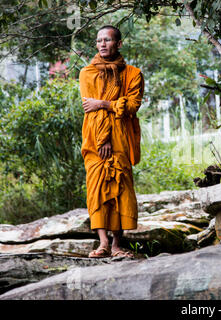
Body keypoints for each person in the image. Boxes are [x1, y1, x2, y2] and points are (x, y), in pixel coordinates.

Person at [79, 25, 144, 258]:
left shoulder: (133, 74)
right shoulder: (87, 73)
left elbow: (133, 105)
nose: (102, 44)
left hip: (121, 138)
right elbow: (90, 108)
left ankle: (117, 244)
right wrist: (102, 139)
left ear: (119, 43)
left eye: (107, 40)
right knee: (96, 189)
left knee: (120, 189)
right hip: (95, 140)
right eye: (98, 41)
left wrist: (104, 103)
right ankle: (103, 243)